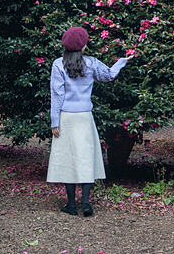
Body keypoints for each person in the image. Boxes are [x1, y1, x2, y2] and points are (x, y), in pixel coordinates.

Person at [47, 26, 129, 217]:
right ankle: (85, 203)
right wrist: (122, 61)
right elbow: (109, 75)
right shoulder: (91, 63)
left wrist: (54, 122)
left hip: (66, 117)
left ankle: (71, 205)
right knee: (85, 158)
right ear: (83, 46)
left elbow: (57, 95)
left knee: (68, 158)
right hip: (85, 117)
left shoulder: (58, 64)